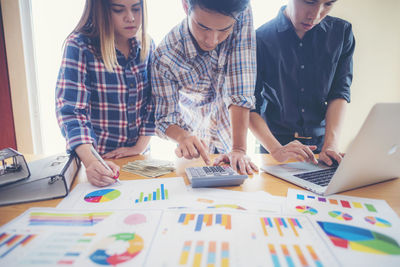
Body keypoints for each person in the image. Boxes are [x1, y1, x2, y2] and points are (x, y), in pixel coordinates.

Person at [151, 0, 258, 174]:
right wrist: (182, 136)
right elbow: (164, 119)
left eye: (224, 30)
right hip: (197, 146)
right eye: (203, 27)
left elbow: (241, 84)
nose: (212, 40)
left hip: (232, 137)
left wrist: (238, 148)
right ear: (186, 6)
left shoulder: (240, 11)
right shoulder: (164, 57)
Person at [55, 0, 154, 187]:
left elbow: (154, 101)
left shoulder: (147, 44)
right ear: (100, 10)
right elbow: (72, 112)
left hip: (140, 158)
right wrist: (93, 162)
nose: (131, 18)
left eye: (136, 8)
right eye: (118, 10)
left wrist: (139, 146)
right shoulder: (79, 45)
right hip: (96, 161)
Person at [250, 0, 355, 166]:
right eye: (309, 1)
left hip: (322, 148)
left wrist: (331, 145)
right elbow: (249, 105)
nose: (315, 15)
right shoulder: (260, 39)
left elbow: (340, 92)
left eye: (328, 4)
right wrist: (276, 149)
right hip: (275, 148)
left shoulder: (342, 33)